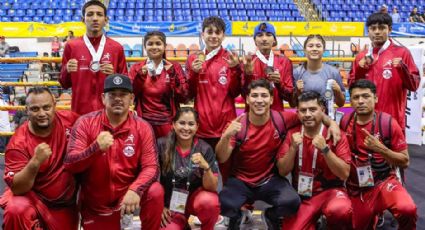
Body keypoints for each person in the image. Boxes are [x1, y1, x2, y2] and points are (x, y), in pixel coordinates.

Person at [216, 79, 341, 230]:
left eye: (264, 95)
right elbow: (222, 158)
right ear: (247, 99)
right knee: (224, 204)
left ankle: (270, 216)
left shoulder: (280, 119)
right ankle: (239, 217)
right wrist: (226, 136)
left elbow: (310, 116)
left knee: (291, 202)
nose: (259, 100)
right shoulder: (237, 125)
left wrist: (332, 123)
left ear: (271, 99)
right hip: (241, 180)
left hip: (270, 179)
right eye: (255, 96)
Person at [64, 74, 163, 230]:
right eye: (112, 95)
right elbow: (70, 163)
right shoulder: (85, 123)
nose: (118, 99)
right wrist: (95, 148)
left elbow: (151, 166)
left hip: (129, 198)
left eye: (123, 95)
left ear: (131, 99)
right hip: (96, 204)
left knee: (155, 191)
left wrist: (135, 189)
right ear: (103, 98)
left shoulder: (143, 127)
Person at [341, 79, 417, 229]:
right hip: (358, 187)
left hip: (384, 182)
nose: (361, 101)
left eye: (365, 96)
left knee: (407, 209)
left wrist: (381, 149)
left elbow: (405, 161)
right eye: (356, 97)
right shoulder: (345, 121)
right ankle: (374, 214)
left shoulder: (388, 123)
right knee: (356, 225)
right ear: (351, 101)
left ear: (375, 98)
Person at [0, 87, 79, 230]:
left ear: (54, 105)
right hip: (32, 200)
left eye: (46, 107)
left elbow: (95, 127)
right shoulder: (18, 143)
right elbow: (17, 189)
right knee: (16, 209)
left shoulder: (71, 121)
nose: (42, 113)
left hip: (64, 204)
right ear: (27, 110)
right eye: (35, 109)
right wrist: (35, 162)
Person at [277, 91, 352, 230]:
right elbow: (282, 171)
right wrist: (293, 148)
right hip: (303, 195)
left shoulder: (336, 134)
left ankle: (330, 223)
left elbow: (344, 174)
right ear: (297, 112)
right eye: (303, 110)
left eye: (313, 109)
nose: (307, 114)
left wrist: (325, 150)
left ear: (322, 111)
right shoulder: (291, 134)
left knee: (340, 210)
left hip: (331, 191)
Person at [349, 12, 420, 132]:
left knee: (393, 151)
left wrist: (403, 69)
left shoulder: (402, 53)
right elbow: (352, 88)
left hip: (393, 120)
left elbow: (414, 86)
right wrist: (360, 70)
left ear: (390, 29)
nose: (377, 32)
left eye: (382, 28)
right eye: (373, 28)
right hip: (366, 120)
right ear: (368, 31)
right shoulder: (361, 57)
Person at [60, 0, 127, 115]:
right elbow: (64, 83)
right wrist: (67, 70)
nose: (95, 18)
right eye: (90, 14)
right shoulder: (71, 46)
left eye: (99, 14)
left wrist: (114, 75)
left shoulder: (116, 48)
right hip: (80, 113)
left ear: (106, 20)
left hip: (109, 114)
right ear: (83, 20)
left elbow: (125, 85)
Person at [158, 107, 220, 230]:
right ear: (173, 125)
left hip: (195, 200)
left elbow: (212, 187)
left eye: (191, 124)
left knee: (209, 201)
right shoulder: (161, 145)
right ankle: (183, 224)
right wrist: (159, 206)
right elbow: (153, 180)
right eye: (182, 123)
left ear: (197, 127)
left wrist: (206, 167)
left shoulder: (205, 148)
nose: (186, 128)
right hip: (171, 204)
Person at [185, 16, 241, 150]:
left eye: (218, 32)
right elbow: (189, 94)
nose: (214, 36)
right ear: (202, 34)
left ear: (223, 35)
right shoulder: (193, 59)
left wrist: (235, 69)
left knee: (226, 169)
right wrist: (194, 73)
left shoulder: (230, 58)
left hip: (226, 126)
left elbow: (235, 93)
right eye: (210, 32)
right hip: (201, 126)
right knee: (203, 169)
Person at [129, 31, 188, 138]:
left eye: (158, 43)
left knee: (166, 154)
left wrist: (172, 75)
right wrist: (140, 77)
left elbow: (183, 97)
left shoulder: (174, 67)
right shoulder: (137, 68)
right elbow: (130, 95)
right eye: (150, 44)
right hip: (143, 122)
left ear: (164, 46)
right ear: (145, 46)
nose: (154, 47)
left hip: (168, 122)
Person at [242, 22, 293, 111]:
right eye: (260, 35)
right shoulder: (247, 62)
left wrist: (279, 83)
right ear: (255, 40)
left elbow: (289, 96)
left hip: (277, 116)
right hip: (253, 117)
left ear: (274, 40)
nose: (264, 39)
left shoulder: (284, 61)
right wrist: (248, 75)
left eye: (268, 35)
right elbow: (243, 95)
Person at [293, 34, 346, 112]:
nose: (314, 49)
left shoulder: (333, 72)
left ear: (324, 49)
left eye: (318, 46)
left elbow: (341, 104)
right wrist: (297, 91)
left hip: (326, 120)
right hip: (305, 119)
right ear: (304, 49)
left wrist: (338, 91)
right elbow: (293, 104)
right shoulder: (297, 73)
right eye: (310, 46)